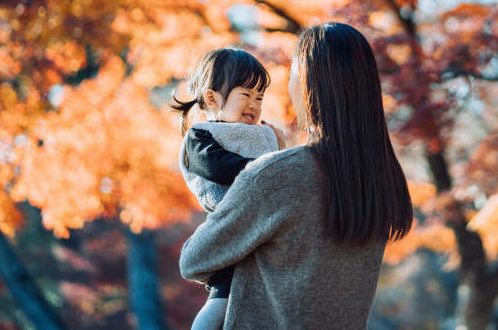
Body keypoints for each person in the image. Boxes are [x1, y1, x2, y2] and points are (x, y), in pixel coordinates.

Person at [179, 23, 414, 330]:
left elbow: (195, 260)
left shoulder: (279, 174)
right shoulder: (381, 184)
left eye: (291, 76)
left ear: (308, 86)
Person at [171, 48, 286, 330]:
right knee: (224, 297)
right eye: (246, 95)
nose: (255, 104)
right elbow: (218, 168)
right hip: (230, 224)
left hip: (269, 228)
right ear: (212, 98)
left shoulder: (266, 134)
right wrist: (266, 166)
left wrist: (280, 149)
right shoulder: (202, 135)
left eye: (260, 97)